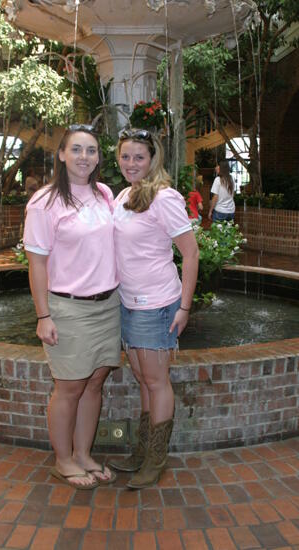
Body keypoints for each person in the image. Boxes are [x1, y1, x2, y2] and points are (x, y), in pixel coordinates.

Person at [23, 125, 120, 489]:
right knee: (69, 387)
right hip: (68, 309)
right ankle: (63, 460)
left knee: (94, 382)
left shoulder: (105, 194)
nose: (84, 157)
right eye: (76, 149)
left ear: (98, 157)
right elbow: (37, 264)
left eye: (91, 150)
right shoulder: (45, 202)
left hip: (107, 305)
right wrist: (43, 315)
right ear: (61, 154)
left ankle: (83, 454)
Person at [109, 128, 199, 489]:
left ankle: (155, 460)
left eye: (139, 157)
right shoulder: (123, 195)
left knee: (157, 382)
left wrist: (185, 308)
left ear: (153, 159)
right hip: (127, 303)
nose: (132, 164)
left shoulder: (165, 197)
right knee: (143, 380)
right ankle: (142, 452)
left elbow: (190, 254)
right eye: (126, 156)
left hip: (157, 304)